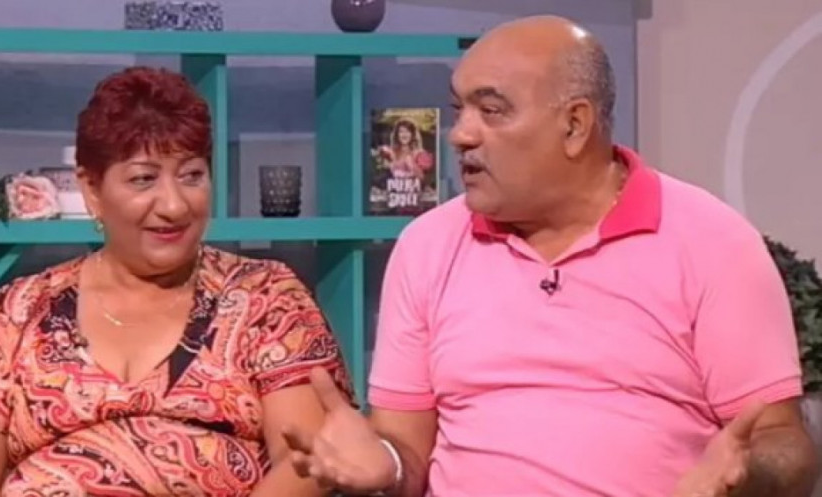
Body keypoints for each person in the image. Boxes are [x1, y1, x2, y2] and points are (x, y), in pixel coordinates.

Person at [282, 15, 820, 497]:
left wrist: (744, 481)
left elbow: (781, 441)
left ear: (575, 125)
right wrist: (386, 465)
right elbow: (406, 451)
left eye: (492, 111)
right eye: (459, 109)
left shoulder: (713, 241)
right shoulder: (427, 245)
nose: (461, 135)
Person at [0, 66, 353, 496]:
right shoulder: (13, 313)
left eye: (191, 176)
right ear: (92, 190)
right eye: (143, 179)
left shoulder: (266, 298)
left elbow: (304, 463)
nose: (174, 205)